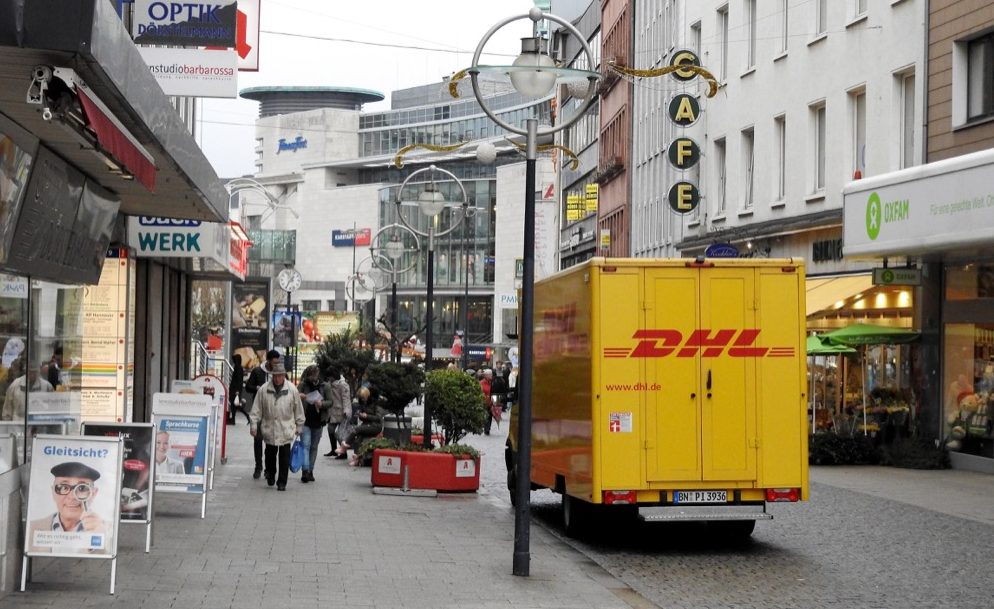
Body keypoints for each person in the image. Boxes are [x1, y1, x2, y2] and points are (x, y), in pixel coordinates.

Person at [27, 461, 111, 554]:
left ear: (93, 493)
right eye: (63, 487)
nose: (72, 497)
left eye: (82, 488)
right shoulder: (32, 528)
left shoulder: (109, 530)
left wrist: (99, 539)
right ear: (53, 492)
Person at [250, 361, 304, 491]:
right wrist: (253, 425)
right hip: (269, 428)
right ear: (272, 376)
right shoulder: (264, 389)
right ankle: (270, 475)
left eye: (280, 376)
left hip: (286, 428)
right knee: (269, 455)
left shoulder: (292, 390)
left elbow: (298, 409)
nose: (277, 378)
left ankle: (282, 482)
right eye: (275, 376)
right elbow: (256, 409)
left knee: (284, 458)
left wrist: (299, 425)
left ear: (284, 375)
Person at [245, 349, 281, 479]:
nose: (276, 365)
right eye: (274, 362)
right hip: (259, 409)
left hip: (273, 411)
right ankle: (258, 466)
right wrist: (257, 388)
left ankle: (268, 468)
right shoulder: (257, 371)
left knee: (270, 442)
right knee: (258, 439)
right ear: (268, 360)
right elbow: (248, 386)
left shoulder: (279, 372)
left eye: (277, 362)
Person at [296, 364, 331, 483]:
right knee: (305, 445)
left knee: (314, 447)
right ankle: (305, 471)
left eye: (314, 376)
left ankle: (310, 470)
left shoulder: (325, 386)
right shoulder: (302, 385)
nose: (312, 379)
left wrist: (322, 404)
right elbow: (294, 397)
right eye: (310, 376)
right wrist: (299, 396)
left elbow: (330, 402)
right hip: (305, 420)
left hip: (318, 420)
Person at [336, 386, 383, 465]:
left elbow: (378, 418)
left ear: (368, 395)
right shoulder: (363, 403)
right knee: (358, 439)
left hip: (375, 426)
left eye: (364, 398)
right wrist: (360, 415)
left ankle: (344, 446)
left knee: (357, 429)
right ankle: (356, 458)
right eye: (361, 398)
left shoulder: (376, 403)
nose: (363, 400)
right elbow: (362, 418)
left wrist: (367, 416)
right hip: (366, 424)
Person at [323, 364, 351, 458]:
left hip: (343, 412)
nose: (328, 378)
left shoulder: (343, 384)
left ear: (333, 376)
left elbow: (346, 398)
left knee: (340, 434)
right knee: (330, 429)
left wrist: (347, 410)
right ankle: (334, 449)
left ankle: (343, 453)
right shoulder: (330, 384)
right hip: (334, 411)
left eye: (329, 376)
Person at [228, 354, 247, 424]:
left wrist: (237, 391)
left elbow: (238, 380)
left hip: (235, 389)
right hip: (236, 389)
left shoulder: (238, 368)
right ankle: (233, 419)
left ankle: (246, 416)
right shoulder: (239, 367)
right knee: (235, 405)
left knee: (235, 405)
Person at [479, 369, 493, 435]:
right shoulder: (481, 383)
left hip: (492, 402)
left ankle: (488, 428)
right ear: (486, 375)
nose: (491, 376)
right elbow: (480, 392)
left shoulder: (492, 382)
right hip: (484, 402)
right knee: (486, 415)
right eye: (490, 374)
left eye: (491, 374)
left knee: (490, 416)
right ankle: (486, 429)